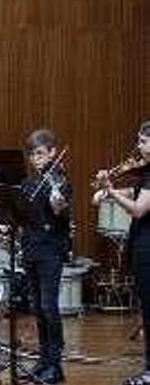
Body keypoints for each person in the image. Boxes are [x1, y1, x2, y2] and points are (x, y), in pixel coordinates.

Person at [93, 121, 150, 385]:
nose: (139, 147)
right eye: (138, 141)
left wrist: (112, 192)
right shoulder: (146, 171)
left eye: (143, 141)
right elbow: (137, 192)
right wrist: (107, 191)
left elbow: (139, 208)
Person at [20, 129, 72, 384]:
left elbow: (59, 210)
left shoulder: (60, 181)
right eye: (32, 154)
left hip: (51, 250)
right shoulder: (29, 183)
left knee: (49, 307)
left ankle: (55, 364)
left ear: (53, 153)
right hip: (31, 248)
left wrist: (56, 198)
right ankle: (43, 360)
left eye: (40, 153)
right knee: (36, 307)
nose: (35, 158)